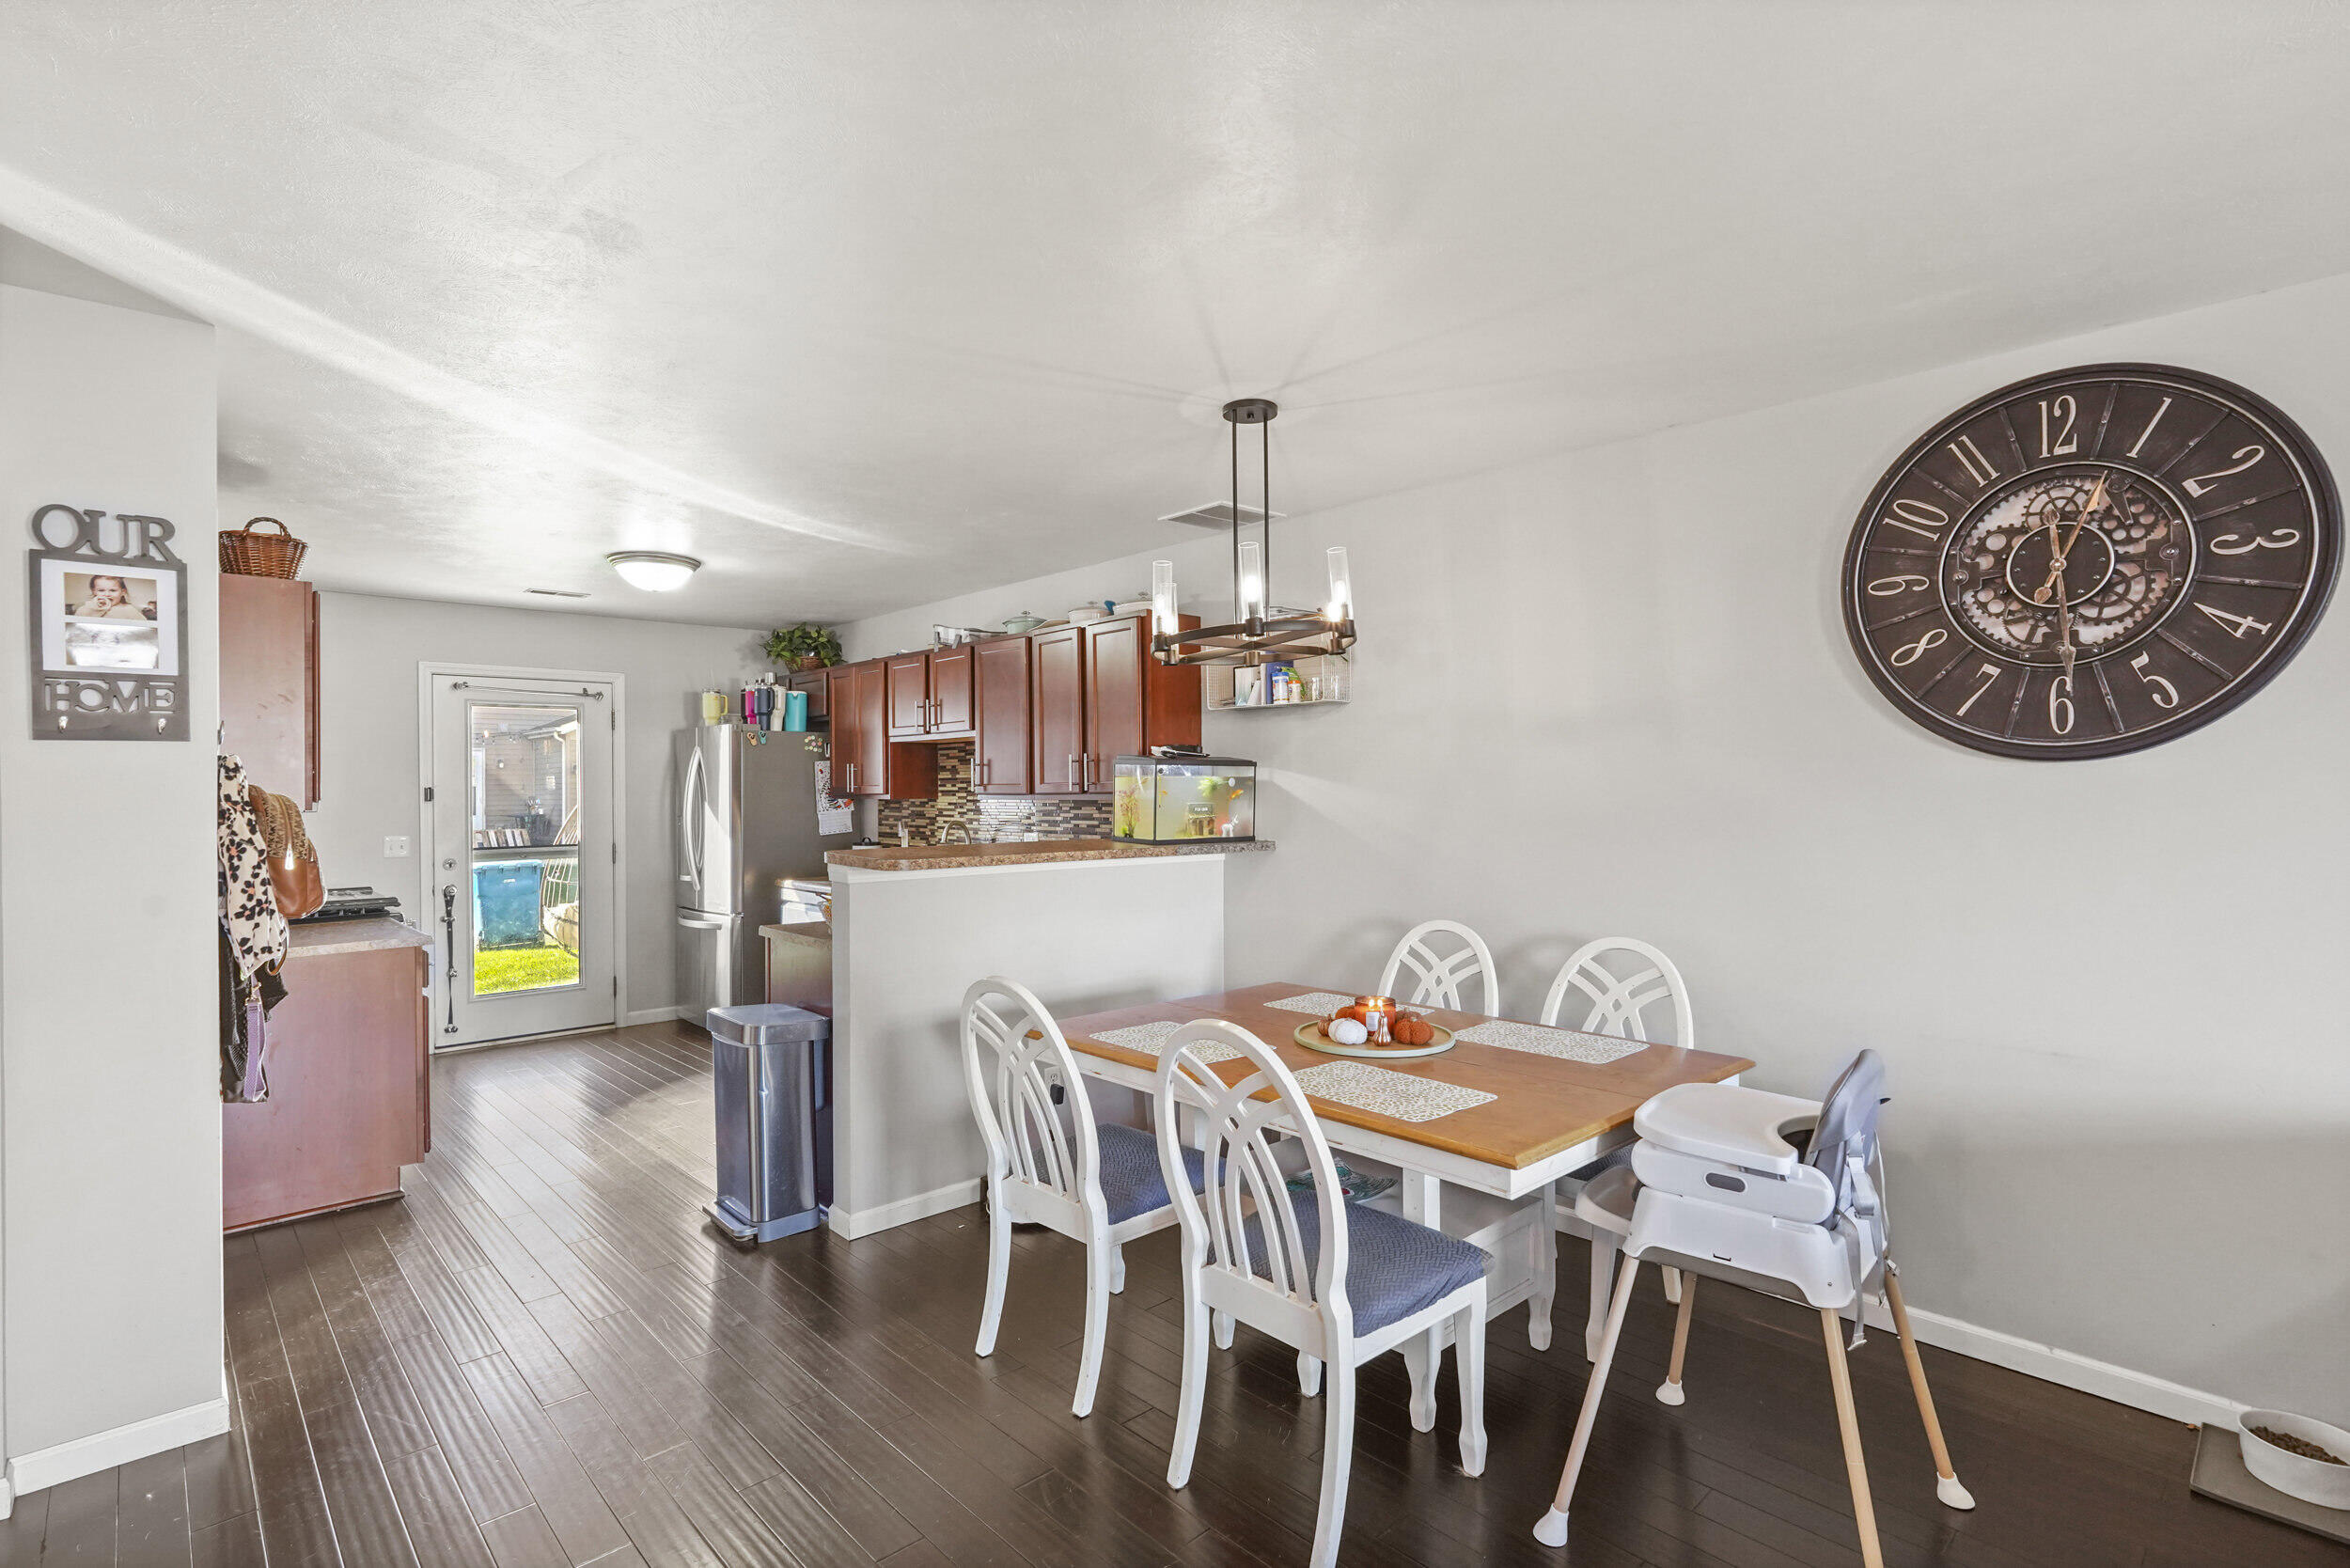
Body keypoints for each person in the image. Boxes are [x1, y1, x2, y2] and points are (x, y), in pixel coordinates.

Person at [72, 575, 148, 619]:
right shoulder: (85, 609)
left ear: (123, 592)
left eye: (113, 590)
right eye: (101, 590)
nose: (107, 594)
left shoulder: (129, 611)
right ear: (94, 591)